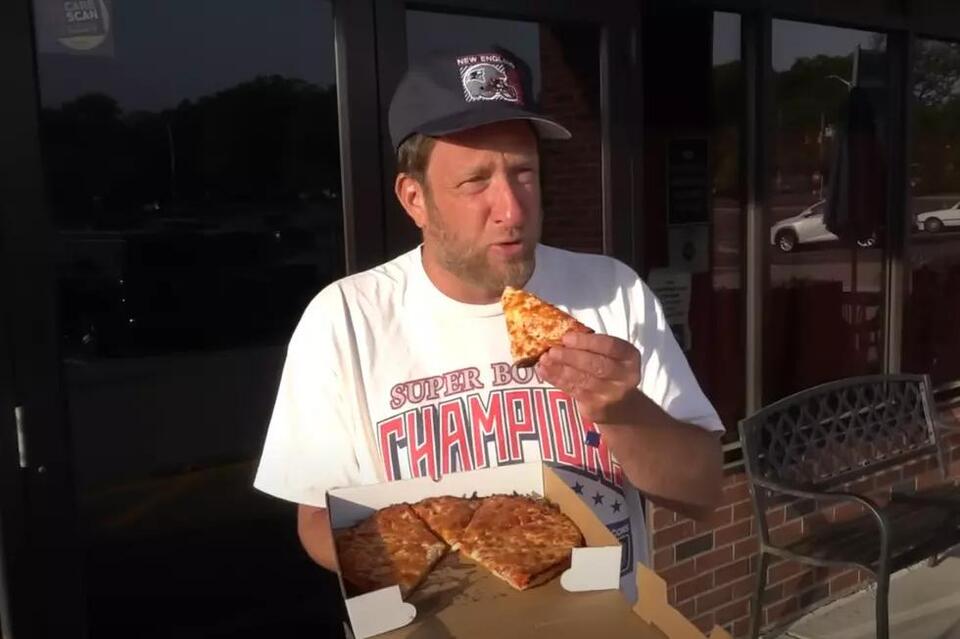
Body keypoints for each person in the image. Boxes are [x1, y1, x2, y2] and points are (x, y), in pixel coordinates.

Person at [254, 46, 724, 602]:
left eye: (523, 173)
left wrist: (623, 412)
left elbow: (702, 491)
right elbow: (316, 518)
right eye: (475, 181)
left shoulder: (611, 291)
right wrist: (425, 555)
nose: (513, 210)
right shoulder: (346, 320)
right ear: (415, 199)